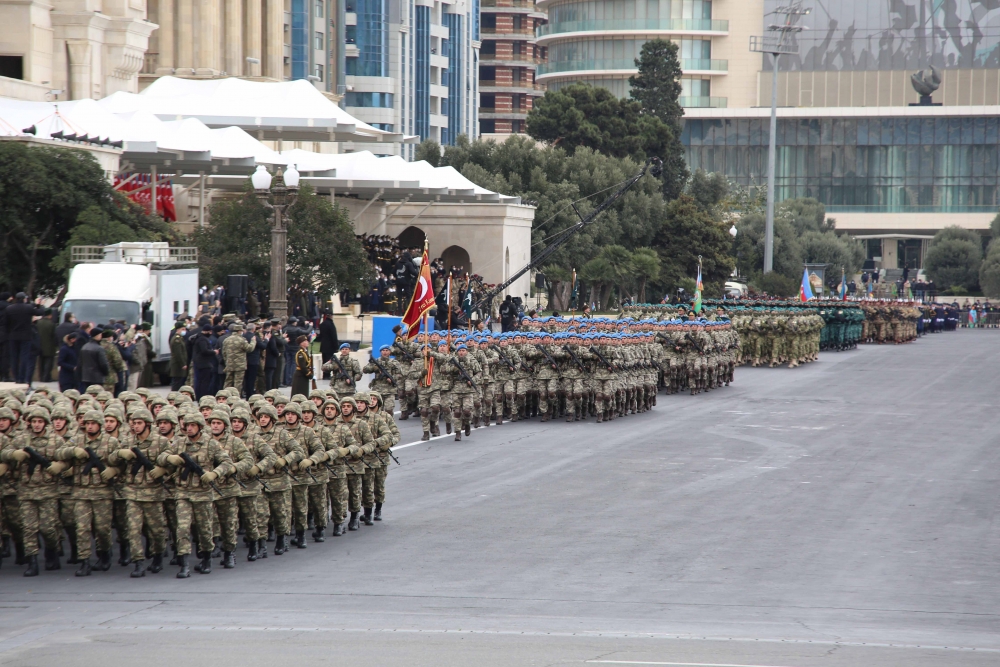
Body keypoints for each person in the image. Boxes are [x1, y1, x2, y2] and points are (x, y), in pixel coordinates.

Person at [5, 293, 47, 384]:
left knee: (14, 357)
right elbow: (40, 312)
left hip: (13, 336)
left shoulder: (9, 309)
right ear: (24, 299)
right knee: (24, 357)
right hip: (25, 336)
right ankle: (22, 377)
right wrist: (41, 305)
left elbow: (6, 323)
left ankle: (16, 377)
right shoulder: (28, 308)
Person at [78, 328, 110, 393]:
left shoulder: (84, 347)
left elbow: (80, 363)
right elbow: (103, 364)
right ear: (97, 335)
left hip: (86, 377)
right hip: (97, 377)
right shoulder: (99, 348)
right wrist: (106, 373)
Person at [127, 323, 152, 391]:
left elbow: (149, 348)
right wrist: (138, 361)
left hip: (140, 365)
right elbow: (132, 353)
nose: (141, 332)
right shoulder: (132, 341)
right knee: (132, 385)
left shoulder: (141, 340)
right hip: (134, 367)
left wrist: (146, 338)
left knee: (137, 386)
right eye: (140, 331)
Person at [35, 309, 58, 384]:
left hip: (39, 346)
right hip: (49, 347)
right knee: (48, 363)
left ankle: (41, 377)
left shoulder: (38, 323)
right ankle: (46, 377)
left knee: (41, 362)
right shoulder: (51, 324)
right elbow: (54, 336)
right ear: (50, 315)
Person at [169, 321, 188, 391]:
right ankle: (174, 397)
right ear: (178, 330)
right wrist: (183, 364)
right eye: (182, 329)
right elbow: (178, 353)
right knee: (177, 382)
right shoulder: (177, 339)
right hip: (177, 364)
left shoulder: (179, 338)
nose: (184, 331)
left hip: (178, 364)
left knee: (178, 382)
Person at [318, 310, 339, 376]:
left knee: (324, 361)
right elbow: (334, 336)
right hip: (330, 346)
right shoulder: (331, 325)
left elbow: (320, 335)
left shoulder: (322, 324)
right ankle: (327, 374)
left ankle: (325, 374)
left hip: (323, 346)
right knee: (329, 361)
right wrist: (336, 346)